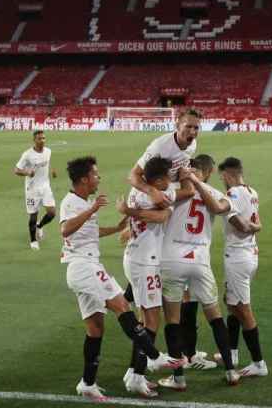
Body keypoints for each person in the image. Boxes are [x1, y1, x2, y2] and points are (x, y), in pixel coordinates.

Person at [60, 155, 183, 401]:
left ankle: (87, 383)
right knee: (122, 305)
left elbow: (90, 231)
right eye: (95, 174)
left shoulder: (84, 200)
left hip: (87, 264)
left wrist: (117, 228)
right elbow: (65, 229)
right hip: (84, 266)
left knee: (95, 328)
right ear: (84, 179)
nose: (99, 177)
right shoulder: (72, 202)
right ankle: (154, 356)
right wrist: (92, 210)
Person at [128, 154, 242, 389]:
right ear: (208, 172)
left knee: (172, 320)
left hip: (171, 260)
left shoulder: (172, 192)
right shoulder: (212, 193)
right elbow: (223, 208)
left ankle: (178, 378)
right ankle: (231, 371)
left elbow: (151, 204)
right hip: (200, 260)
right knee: (215, 316)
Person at [217, 157, 267, 378]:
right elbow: (257, 224)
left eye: (222, 178)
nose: (222, 182)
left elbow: (240, 224)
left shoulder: (232, 195)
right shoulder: (252, 191)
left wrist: (251, 226)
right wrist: (256, 227)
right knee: (231, 303)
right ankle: (233, 352)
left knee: (243, 310)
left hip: (238, 257)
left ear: (227, 175)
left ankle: (259, 363)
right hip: (249, 254)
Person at [128, 109, 200, 208]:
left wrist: (185, 171)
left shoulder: (193, 144)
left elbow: (181, 166)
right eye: (188, 126)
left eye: (196, 128)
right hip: (147, 194)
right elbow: (133, 175)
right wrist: (152, 192)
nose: (192, 132)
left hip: (169, 188)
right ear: (177, 125)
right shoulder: (160, 147)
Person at [13, 130, 58, 250]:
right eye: (39, 138)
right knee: (33, 216)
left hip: (45, 186)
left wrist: (52, 171)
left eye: (43, 138)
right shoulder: (27, 154)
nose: (42, 140)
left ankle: (40, 225)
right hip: (32, 189)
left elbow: (47, 162)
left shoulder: (48, 151)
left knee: (52, 213)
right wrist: (27, 172)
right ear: (34, 140)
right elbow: (16, 170)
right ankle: (33, 240)